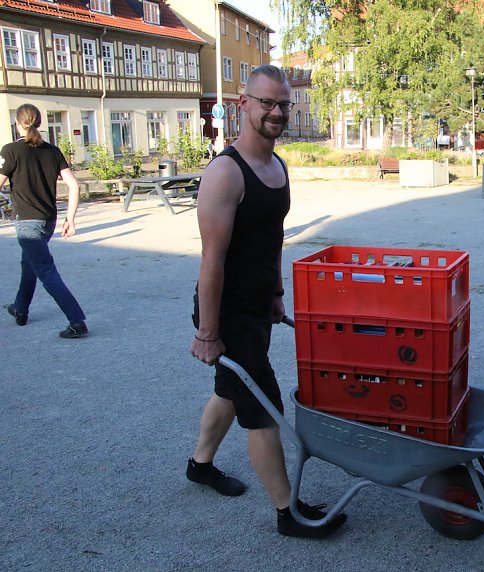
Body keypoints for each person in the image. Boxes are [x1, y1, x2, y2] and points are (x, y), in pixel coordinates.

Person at [187, 65, 346, 538]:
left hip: (257, 307)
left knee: (231, 390)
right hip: (227, 314)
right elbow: (211, 262)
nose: (276, 112)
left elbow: (272, 239)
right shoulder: (225, 174)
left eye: (283, 104)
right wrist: (207, 332)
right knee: (262, 408)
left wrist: (276, 293)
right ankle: (288, 512)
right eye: (266, 103)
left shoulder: (278, 167)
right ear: (244, 104)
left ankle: (200, 464)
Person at [0, 104, 88, 339]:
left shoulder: (9, 151)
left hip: (27, 221)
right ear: (39, 123)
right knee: (29, 263)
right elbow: (74, 185)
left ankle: (77, 321)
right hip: (48, 220)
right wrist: (70, 218)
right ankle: (20, 308)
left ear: (17, 123)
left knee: (46, 271)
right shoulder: (52, 151)